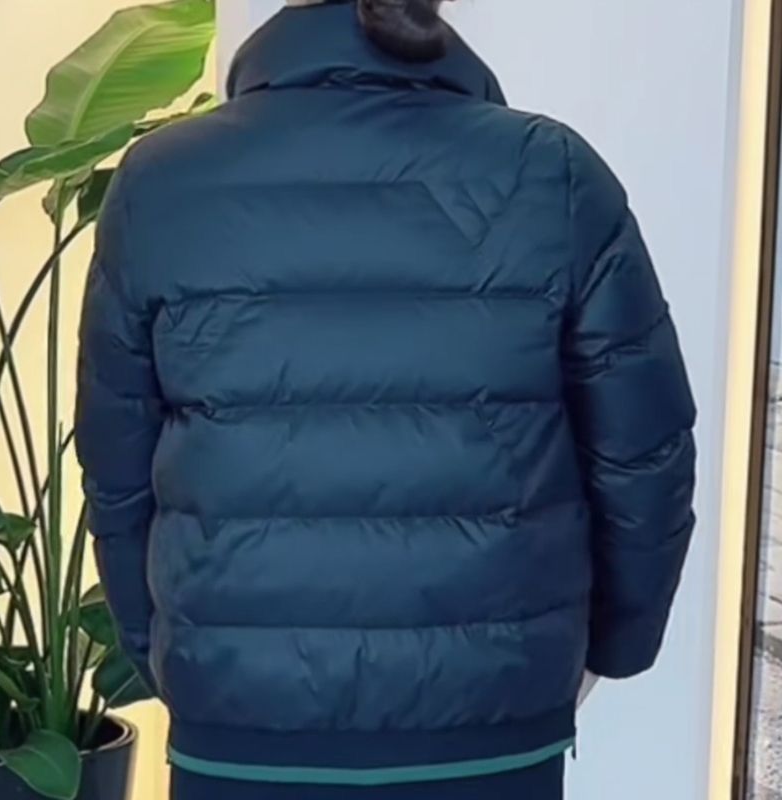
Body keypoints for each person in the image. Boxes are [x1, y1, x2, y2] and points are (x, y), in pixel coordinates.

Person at [74, 1, 697, 798]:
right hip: (491, 720)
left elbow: (116, 467)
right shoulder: (554, 174)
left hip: (242, 724)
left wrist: (176, 658)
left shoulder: (162, 182)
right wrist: (606, 649)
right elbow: (646, 456)